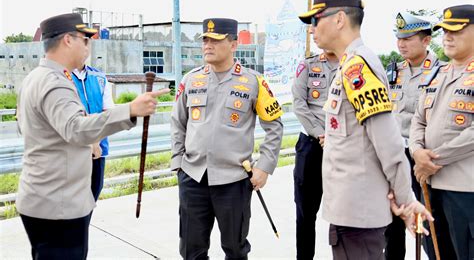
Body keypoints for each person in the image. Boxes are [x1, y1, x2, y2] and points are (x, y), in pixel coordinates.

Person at [16, 13, 169, 260]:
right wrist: (130, 109)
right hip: (59, 205)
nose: (88, 46)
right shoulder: (56, 83)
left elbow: (26, 126)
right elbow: (76, 128)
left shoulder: (34, 78)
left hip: (40, 198)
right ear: (68, 40)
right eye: (85, 40)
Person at [298, 0, 433, 259]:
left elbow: (387, 140)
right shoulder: (349, 64)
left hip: (357, 213)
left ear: (339, 20)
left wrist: (406, 200)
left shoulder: (358, 67)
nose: (312, 29)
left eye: (316, 20)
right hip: (350, 209)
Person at [170, 18, 284, 260]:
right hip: (193, 176)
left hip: (234, 180)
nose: (207, 45)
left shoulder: (254, 82)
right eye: (205, 40)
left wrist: (264, 167)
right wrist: (178, 163)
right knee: (191, 250)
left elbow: (274, 126)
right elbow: (178, 122)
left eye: (215, 40)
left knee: (235, 249)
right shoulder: (191, 80)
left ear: (233, 45)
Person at [410, 4, 474, 260]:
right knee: (437, 252)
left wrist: (433, 159)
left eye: (456, 30)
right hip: (431, 185)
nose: (447, 36)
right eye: (445, 30)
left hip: (465, 189)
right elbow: (418, 118)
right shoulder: (438, 73)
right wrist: (416, 151)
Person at [384, 11, 446, 260]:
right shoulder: (393, 72)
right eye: (399, 38)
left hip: (422, 158)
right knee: (393, 224)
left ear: (426, 40)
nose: (401, 44)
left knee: (428, 226)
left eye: (408, 38)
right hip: (396, 156)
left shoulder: (441, 73)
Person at [292, 35, 338, 258]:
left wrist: (334, 136)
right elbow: (299, 104)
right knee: (305, 213)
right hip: (311, 146)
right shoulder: (308, 65)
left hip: (342, 147)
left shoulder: (355, 65)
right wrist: (321, 133)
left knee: (342, 214)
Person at [72, 64, 114, 201]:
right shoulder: (59, 76)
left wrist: (96, 141)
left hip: (98, 150)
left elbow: (108, 113)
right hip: (70, 152)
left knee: (93, 191)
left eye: (87, 42)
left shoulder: (99, 77)